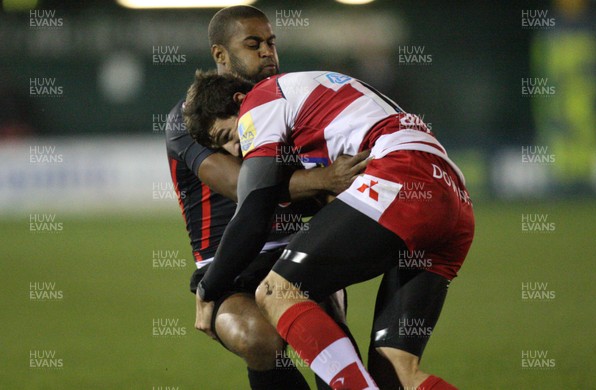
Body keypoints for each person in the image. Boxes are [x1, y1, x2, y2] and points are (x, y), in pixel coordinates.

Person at [184, 70, 475, 390]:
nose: (237, 149)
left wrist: (207, 288)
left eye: (228, 135)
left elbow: (254, 212)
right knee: (396, 375)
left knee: (276, 291)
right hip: (454, 198)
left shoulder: (260, 100)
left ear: (239, 101)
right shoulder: (310, 91)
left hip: (405, 175)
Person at [165, 6, 368, 390]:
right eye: (253, 43)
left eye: (271, 42)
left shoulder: (289, 101)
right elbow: (245, 187)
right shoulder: (191, 118)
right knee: (260, 341)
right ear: (220, 55)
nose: (267, 52)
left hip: (296, 252)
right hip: (228, 262)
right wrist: (325, 178)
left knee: (331, 338)